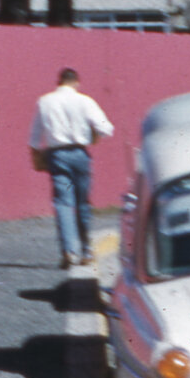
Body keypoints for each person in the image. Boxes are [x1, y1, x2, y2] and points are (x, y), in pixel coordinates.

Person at [31, 67, 118, 271]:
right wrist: (92, 137)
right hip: (80, 154)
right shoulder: (85, 101)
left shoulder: (44, 101)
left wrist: (36, 159)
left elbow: (34, 139)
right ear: (76, 82)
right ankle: (86, 251)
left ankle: (69, 251)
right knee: (82, 203)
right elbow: (106, 128)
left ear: (58, 81)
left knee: (63, 203)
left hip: (57, 155)